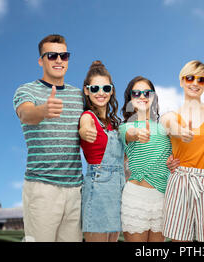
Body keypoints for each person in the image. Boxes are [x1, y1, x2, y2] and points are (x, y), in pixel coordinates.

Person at [12, 34, 83, 242]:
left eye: (64, 55)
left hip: (76, 191)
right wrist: (43, 110)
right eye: (52, 56)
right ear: (41, 61)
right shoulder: (26, 90)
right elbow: (26, 114)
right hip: (42, 189)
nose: (59, 60)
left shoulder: (79, 96)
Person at [161, 60, 204, 242]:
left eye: (201, 80)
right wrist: (180, 131)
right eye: (189, 78)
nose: (195, 83)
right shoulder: (171, 114)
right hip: (180, 181)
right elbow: (167, 124)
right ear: (181, 81)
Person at [119, 76, 172, 242]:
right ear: (130, 99)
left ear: (154, 97)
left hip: (162, 199)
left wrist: (173, 162)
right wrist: (139, 133)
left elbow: (172, 156)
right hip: (136, 197)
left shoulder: (165, 127)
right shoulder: (125, 127)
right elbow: (131, 134)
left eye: (147, 93)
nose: (142, 96)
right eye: (136, 93)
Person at [78, 60, 124, 242]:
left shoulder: (115, 124)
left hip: (119, 188)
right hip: (98, 188)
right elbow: (85, 126)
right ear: (87, 90)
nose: (101, 93)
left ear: (111, 90)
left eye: (105, 88)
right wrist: (84, 131)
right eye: (95, 89)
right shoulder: (87, 117)